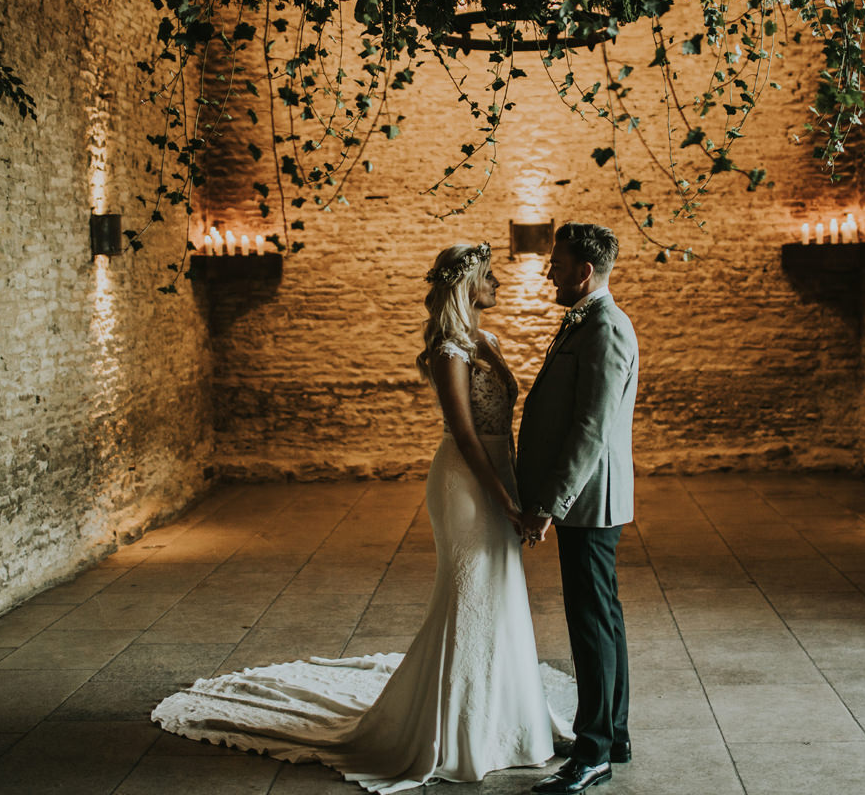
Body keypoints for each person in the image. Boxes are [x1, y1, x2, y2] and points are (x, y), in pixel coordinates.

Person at [151, 241, 573, 794]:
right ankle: (455, 731)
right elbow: (465, 437)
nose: (498, 283)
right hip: (468, 486)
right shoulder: (449, 350)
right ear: (466, 285)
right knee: (468, 595)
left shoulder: (487, 340)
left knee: (501, 592)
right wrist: (506, 502)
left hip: (502, 474)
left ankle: (509, 724)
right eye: (489, 276)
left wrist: (519, 488)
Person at [516, 223, 639, 795]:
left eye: (558, 266)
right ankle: (612, 733)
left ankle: (592, 755)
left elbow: (592, 429)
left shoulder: (606, 328)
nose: (550, 274)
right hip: (586, 500)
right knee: (602, 617)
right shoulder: (587, 321)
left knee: (590, 624)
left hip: (589, 502)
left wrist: (551, 503)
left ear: (584, 272)